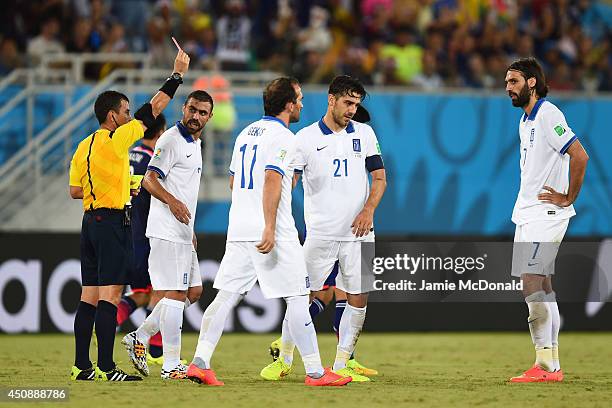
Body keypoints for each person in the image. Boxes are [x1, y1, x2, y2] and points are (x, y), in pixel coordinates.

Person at [185, 77, 351, 387]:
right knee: (299, 297)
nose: (301, 103)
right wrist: (271, 226)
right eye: (299, 98)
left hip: (239, 228)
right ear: (288, 105)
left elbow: (235, 182)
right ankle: (316, 372)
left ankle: (199, 362)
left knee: (225, 297)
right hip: (272, 231)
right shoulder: (286, 138)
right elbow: (273, 180)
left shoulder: (246, 133)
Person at [68, 47, 190, 382]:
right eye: (123, 111)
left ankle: (82, 366)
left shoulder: (84, 146)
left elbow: (75, 191)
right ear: (112, 117)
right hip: (111, 223)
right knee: (111, 295)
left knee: (88, 296)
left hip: (89, 223)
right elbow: (153, 110)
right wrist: (176, 75)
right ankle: (107, 368)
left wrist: (122, 185)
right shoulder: (118, 139)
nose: (128, 116)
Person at [260, 75, 386, 382]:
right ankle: (285, 358)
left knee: (359, 296)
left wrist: (368, 210)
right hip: (321, 234)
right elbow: (289, 181)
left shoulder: (365, 134)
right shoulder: (303, 138)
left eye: (356, 104)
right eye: (347, 102)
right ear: (331, 100)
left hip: (360, 233)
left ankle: (342, 363)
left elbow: (380, 178)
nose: (352, 110)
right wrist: (276, 219)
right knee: (302, 295)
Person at [505, 58, 589, 383]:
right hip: (528, 213)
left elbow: (579, 154)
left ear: (531, 83)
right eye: (506, 82)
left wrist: (568, 197)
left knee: (530, 282)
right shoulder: (526, 121)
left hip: (547, 213)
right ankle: (552, 364)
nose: (508, 88)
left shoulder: (548, 114)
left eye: (513, 81)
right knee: (544, 285)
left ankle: (543, 365)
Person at [122, 90, 214, 380]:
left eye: (202, 112)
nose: (196, 116)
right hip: (165, 230)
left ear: (209, 117)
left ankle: (140, 335)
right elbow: (150, 179)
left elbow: (184, 188)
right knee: (174, 294)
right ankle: (171, 365)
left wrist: (190, 228)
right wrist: (172, 202)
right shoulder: (171, 139)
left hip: (182, 231)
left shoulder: (196, 143)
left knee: (193, 292)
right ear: (183, 108)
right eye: (192, 109)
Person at [116, 114, 166, 363]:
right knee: (162, 289)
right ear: (161, 133)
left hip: (123, 231)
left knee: (143, 292)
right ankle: (155, 349)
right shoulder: (152, 161)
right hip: (145, 233)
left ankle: (110, 318)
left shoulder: (128, 153)